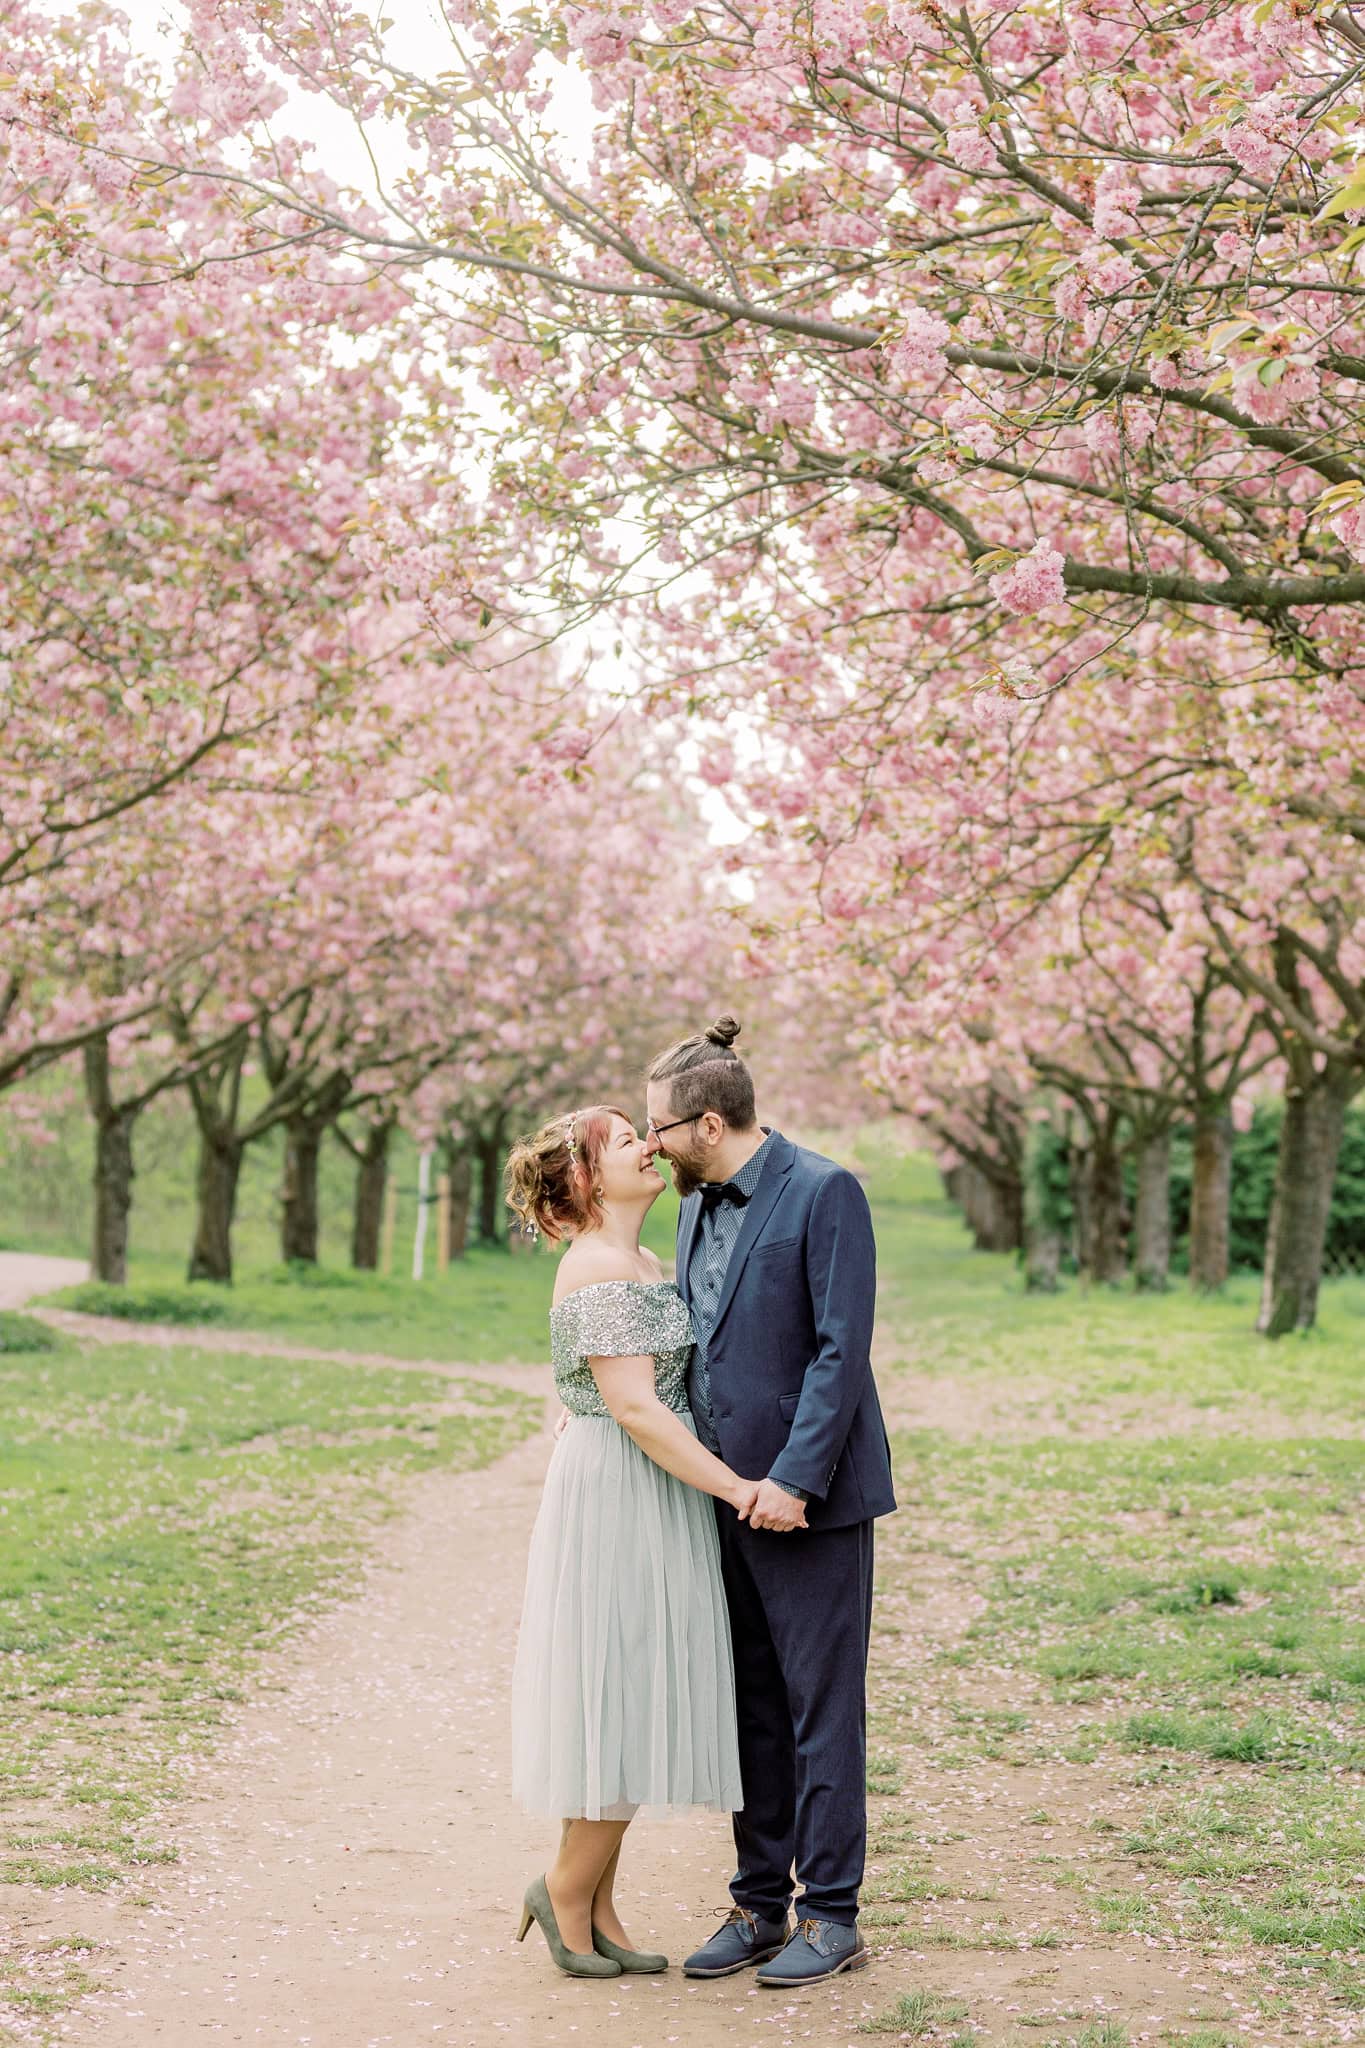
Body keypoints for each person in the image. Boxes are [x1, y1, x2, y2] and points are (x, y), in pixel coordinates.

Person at [643, 1016, 897, 1988]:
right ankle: (758, 1902)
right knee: (749, 1704)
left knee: (819, 1710)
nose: (650, 1142)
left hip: (811, 1503)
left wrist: (792, 1478)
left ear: (708, 1123)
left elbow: (842, 1347)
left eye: (660, 1127)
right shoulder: (696, 1199)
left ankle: (832, 1914)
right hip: (723, 1498)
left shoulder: (825, 1191)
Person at [504, 1104, 758, 1979]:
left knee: (632, 1686)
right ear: (582, 1178)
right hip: (622, 1486)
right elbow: (638, 1407)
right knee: (621, 1685)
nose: (649, 1146)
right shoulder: (597, 1266)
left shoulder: (643, 1258)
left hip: (651, 1485)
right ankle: (563, 1890)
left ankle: (596, 1905)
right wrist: (734, 1488)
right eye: (625, 1142)